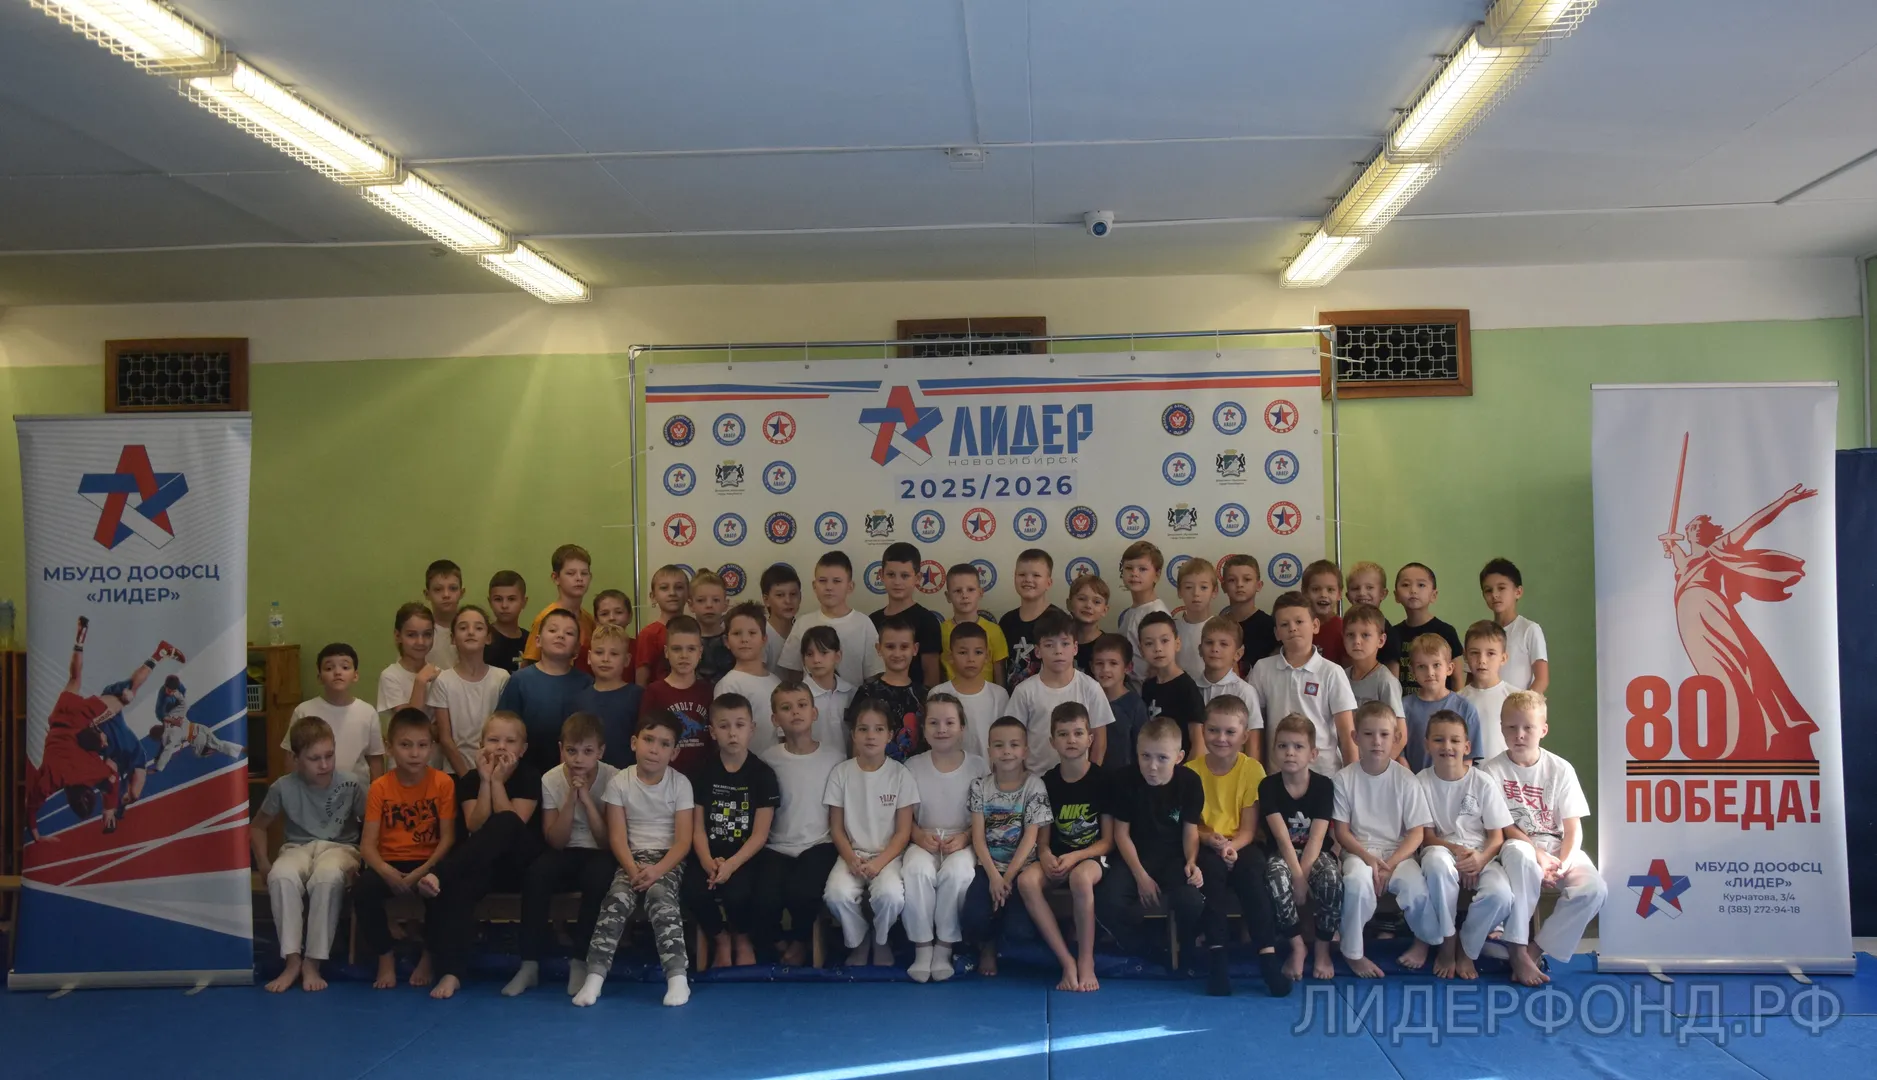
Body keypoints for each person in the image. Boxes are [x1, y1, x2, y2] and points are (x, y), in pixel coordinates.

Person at [1482, 691, 1606, 985]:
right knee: (1521, 855)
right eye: (1511, 727)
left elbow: (1573, 828)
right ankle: (1515, 946)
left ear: (1543, 730)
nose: (1519, 734)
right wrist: (1537, 854)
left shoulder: (1560, 769)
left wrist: (1562, 863)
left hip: (1557, 845)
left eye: (1528, 727)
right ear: (1501, 729)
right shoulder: (1491, 771)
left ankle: (1532, 952)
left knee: (1594, 889)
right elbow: (1503, 826)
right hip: (1515, 844)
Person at [418, 712, 542, 999]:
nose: (501, 747)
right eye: (494, 740)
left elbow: (513, 825)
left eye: (510, 741)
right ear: (481, 744)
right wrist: (486, 781)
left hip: (521, 861)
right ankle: (451, 972)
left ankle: (441, 871)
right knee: (457, 886)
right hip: (485, 860)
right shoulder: (471, 779)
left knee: (506, 821)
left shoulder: (529, 776)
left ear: (523, 748)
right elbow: (475, 825)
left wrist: (499, 782)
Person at [574, 712, 695, 1008]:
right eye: (648, 740)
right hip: (631, 859)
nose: (654, 749)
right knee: (615, 900)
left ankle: (677, 978)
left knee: (660, 897)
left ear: (674, 752)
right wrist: (632, 869)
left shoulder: (680, 784)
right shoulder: (619, 782)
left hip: (667, 860)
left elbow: (683, 841)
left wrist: (657, 871)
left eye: (664, 744)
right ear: (633, 743)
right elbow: (616, 837)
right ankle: (594, 977)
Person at [25, 618, 182, 840]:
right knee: (74, 678)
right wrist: (36, 835)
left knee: (127, 696)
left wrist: (108, 808)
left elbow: (111, 779)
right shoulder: (49, 782)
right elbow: (31, 808)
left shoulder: (91, 773)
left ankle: (159, 654)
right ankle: (79, 643)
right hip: (60, 716)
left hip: (82, 718)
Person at [503, 712, 619, 997]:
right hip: (565, 849)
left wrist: (587, 801)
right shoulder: (551, 779)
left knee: (599, 878)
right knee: (536, 874)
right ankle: (529, 964)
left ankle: (580, 961)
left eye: (587, 752)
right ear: (561, 749)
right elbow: (555, 840)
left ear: (600, 751)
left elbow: (607, 841)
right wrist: (570, 799)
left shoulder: (614, 778)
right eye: (571, 751)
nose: (579, 759)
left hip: (599, 851)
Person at [251, 716, 365, 993]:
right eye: (315, 759)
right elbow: (257, 826)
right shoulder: (283, 787)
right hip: (298, 848)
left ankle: (313, 961)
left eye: (329, 755)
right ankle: (292, 960)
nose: (324, 765)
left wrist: (365, 862)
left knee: (327, 876)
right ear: (295, 758)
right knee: (281, 875)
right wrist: (264, 863)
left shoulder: (352, 784)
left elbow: (374, 826)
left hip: (340, 848)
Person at [1186, 696, 1289, 996]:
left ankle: (1268, 958)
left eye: (1230, 732)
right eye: (1214, 730)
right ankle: (1217, 961)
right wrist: (1210, 840)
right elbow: (1190, 825)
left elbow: (1249, 828)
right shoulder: (1190, 771)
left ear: (1244, 736)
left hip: (1241, 843)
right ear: (1203, 731)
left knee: (1253, 876)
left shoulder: (1252, 769)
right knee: (1211, 878)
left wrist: (1231, 847)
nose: (1221, 738)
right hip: (1205, 843)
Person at [1094, 717, 1208, 978]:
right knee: (1108, 901)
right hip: (1134, 856)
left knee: (1191, 900)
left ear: (1179, 757)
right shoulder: (1124, 780)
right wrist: (1141, 876)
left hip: (1173, 857)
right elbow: (1121, 834)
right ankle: (1145, 947)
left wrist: (1192, 861)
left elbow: (1190, 830)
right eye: (1145, 756)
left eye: (1162, 758)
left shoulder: (1190, 782)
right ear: (1136, 752)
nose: (1152, 766)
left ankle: (1187, 949)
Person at [1332, 701, 1435, 979]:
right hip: (1359, 851)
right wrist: (1369, 859)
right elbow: (1342, 832)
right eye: (1368, 734)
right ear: (1355, 737)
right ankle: (1353, 952)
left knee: (1416, 888)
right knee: (1356, 883)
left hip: (1398, 853)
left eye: (1384, 735)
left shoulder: (1406, 780)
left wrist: (1391, 864)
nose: (1376, 741)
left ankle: (1422, 942)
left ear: (1396, 738)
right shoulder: (1344, 779)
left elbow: (1416, 832)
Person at [354, 708, 456, 990]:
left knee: (446, 890)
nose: (414, 753)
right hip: (391, 863)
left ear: (432, 747)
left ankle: (428, 956)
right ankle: (385, 956)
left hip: (428, 862)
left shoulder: (443, 783)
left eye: (422, 745)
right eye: (405, 745)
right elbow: (367, 846)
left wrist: (422, 872)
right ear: (389, 748)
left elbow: (448, 839)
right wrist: (386, 872)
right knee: (363, 890)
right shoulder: (380, 787)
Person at [1413, 711, 1514, 980]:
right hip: (1441, 850)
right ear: (1427, 744)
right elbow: (1426, 837)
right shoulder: (1420, 782)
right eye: (1439, 740)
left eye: (1455, 740)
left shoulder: (1482, 781)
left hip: (1480, 853)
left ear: (1467, 746)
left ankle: (1468, 947)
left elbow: (1496, 837)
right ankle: (1447, 941)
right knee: (1436, 864)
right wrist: (1458, 853)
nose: (1447, 746)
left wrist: (1479, 859)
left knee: (1501, 895)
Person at [682, 694, 779, 969]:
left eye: (740, 725)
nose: (732, 733)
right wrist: (707, 862)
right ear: (712, 732)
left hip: (745, 856)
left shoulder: (763, 775)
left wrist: (731, 865)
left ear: (752, 729)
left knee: (740, 894)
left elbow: (760, 835)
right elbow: (697, 829)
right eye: (724, 726)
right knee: (693, 891)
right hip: (708, 854)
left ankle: (742, 938)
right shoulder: (701, 772)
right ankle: (720, 937)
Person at [1019, 704, 1112, 991]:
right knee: (1026, 881)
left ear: (1090, 739)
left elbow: (1108, 842)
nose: (1071, 740)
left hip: (1093, 857)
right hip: (1060, 857)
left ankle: (1085, 959)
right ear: (1052, 741)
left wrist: (1076, 857)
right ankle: (1066, 960)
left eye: (1078, 733)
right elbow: (1043, 840)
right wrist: (1045, 854)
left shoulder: (1104, 780)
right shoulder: (1046, 783)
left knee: (1080, 878)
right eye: (1063, 734)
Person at [823, 698, 919, 967]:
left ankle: (881, 939)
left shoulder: (900, 775)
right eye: (863, 729)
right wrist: (851, 858)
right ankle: (860, 940)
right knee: (836, 895)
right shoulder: (841, 773)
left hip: (888, 856)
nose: (870, 736)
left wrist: (879, 863)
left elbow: (903, 832)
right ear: (853, 734)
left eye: (878, 729)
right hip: (851, 854)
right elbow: (836, 828)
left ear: (889, 735)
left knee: (890, 896)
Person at [755, 682, 844, 966]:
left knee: (803, 893)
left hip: (820, 843)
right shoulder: (767, 760)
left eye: (802, 705)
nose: (795, 712)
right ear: (774, 719)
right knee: (764, 897)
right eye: (786, 707)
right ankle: (780, 941)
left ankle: (801, 941)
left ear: (814, 713)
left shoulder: (835, 758)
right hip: (776, 845)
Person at [901, 693, 986, 982]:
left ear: (962, 727)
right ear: (924, 729)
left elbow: (986, 814)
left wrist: (965, 838)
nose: (941, 729)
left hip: (964, 839)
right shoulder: (912, 766)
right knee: (916, 870)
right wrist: (917, 835)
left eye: (950, 722)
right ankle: (922, 945)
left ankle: (945, 945)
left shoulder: (978, 767)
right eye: (934, 723)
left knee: (957, 873)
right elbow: (904, 816)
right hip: (922, 837)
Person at [961, 717, 1050, 976]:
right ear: (990, 751)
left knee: (1020, 930)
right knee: (972, 917)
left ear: (1025, 751)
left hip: (1020, 869)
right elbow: (978, 837)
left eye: (1014, 745)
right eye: (999, 746)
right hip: (988, 867)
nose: (1007, 751)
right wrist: (993, 877)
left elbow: (1031, 838)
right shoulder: (980, 786)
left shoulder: (1034, 785)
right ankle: (987, 946)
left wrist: (1007, 878)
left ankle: (1004, 942)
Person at [1260, 714, 1341, 981]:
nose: (1290, 753)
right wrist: (1295, 876)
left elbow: (1317, 838)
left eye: (1298, 746)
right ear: (1274, 751)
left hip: (1316, 854)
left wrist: (1302, 877)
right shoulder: (1268, 786)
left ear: (1313, 754)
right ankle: (1297, 946)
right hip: (1282, 853)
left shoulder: (1323, 786)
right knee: (1275, 876)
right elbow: (1282, 838)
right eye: (1283, 746)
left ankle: (1322, 948)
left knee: (1331, 879)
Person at [1250, 591, 1357, 774]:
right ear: (1277, 633)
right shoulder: (1262, 669)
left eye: (1299, 622)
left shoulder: (1332, 672)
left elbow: (1347, 734)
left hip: (1324, 775)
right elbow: (1255, 728)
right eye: (1284, 624)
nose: (1292, 628)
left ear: (1315, 625)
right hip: (1278, 776)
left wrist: (1354, 780)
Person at [1008, 609, 1116, 771]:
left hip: (1079, 778)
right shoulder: (1024, 691)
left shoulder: (1091, 688)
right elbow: (1014, 739)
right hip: (1036, 778)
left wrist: (1091, 778)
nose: (1058, 651)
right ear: (1037, 651)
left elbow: (1099, 742)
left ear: (1075, 648)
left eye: (1065, 644)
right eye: (1049, 645)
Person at [495, 608, 593, 775]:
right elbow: (504, 727)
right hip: (526, 771)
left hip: (574, 771)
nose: (560, 635)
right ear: (538, 640)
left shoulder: (586, 683)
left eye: (569, 633)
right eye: (553, 630)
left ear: (577, 648)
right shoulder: (520, 680)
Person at [425, 606, 510, 776]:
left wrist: (495, 773)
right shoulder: (443, 681)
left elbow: (506, 730)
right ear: (453, 639)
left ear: (488, 638)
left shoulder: (501, 678)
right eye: (463, 628)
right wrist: (466, 777)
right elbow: (445, 738)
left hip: (496, 771)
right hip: (456, 772)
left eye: (478, 628)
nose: (471, 632)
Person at [778, 551, 885, 687]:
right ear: (814, 586)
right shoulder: (803, 623)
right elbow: (793, 673)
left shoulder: (864, 624)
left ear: (850, 586)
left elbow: (873, 675)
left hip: (854, 699)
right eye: (822, 581)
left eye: (837, 581)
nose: (829, 587)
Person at [288, 642, 384, 785]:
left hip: (357, 790)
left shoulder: (368, 712)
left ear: (355, 675)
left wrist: (377, 793)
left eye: (345, 667)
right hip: (312, 790)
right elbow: (291, 756)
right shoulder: (303, 711)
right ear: (319, 677)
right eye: (329, 668)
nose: (337, 672)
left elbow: (375, 758)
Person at [843, 612, 925, 762]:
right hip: (875, 772)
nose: (897, 653)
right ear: (879, 648)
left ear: (915, 649)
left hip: (915, 773)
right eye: (890, 646)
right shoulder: (867, 693)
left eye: (904, 647)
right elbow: (856, 742)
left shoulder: (924, 695)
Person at [643, 614, 715, 777]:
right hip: (665, 777)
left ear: (700, 652)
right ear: (666, 652)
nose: (684, 655)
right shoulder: (654, 692)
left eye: (691, 649)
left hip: (704, 776)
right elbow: (646, 738)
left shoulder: (709, 691)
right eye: (677, 649)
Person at [1400, 635, 1484, 773]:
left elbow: (1469, 757)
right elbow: (1399, 753)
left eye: (1436, 665)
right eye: (1422, 666)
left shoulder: (1465, 708)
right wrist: (1412, 781)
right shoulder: (1403, 707)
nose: (1430, 673)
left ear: (1449, 668)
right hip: (1414, 782)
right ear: (1412, 671)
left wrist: (1456, 781)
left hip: (1454, 783)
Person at [930, 620, 1009, 758]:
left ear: (987, 656)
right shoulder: (938, 693)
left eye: (978, 652)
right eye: (963, 652)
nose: (971, 659)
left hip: (989, 768)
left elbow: (1005, 737)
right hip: (950, 767)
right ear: (950, 656)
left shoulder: (999, 695)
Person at [713, 602, 783, 755]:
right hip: (745, 764)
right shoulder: (729, 685)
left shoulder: (776, 682)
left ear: (764, 639)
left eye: (752, 633)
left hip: (776, 762)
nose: (744, 639)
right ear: (726, 641)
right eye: (737, 633)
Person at [570, 622, 642, 767]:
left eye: (614, 654)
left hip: (627, 775)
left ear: (627, 660)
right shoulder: (579, 700)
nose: (605, 659)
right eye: (599, 652)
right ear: (589, 657)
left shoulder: (638, 696)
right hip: (588, 775)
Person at [873, 542, 945, 688]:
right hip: (877, 699)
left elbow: (931, 676)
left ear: (917, 578)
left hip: (916, 700)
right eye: (891, 575)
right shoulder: (872, 620)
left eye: (905, 576)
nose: (897, 582)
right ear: (881, 575)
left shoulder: (927, 621)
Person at [1138, 611, 1205, 756]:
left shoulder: (1186, 687)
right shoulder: (1148, 687)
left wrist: (1186, 770)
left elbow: (1198, 743)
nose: (1158, 648)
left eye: (1164, 641)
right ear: (1141, 650)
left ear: (1177, 644)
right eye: (1149, 643)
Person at [1196, 616, 1262, 761]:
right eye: (1209, 643)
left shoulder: (1245, 692)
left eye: (1223, 644)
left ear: (1238, 654)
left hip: (1235, 770)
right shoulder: (1191, 688)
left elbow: (1253, 744)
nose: (1215, 649)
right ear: (1200, 649)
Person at [1343, 604, 1405, 756]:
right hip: (1345, 762)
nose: (1357, 641)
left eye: (1365, 635)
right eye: (1350, 635)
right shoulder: (1340, 677)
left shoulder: (1385, 681)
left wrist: (1380, 766)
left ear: (1381, 640)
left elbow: (1400, 735)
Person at [1479, 558, 1548, 693]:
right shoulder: (1481, 633)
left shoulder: (1529, 629)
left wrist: (1522, 704)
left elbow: (1542, 680)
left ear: (1518, 592)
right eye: (1488, 590)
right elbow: (1473, 680)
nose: (1494, 595)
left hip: (1520, 704)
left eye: (1501, 588)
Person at [1000, 548, 1065, 690]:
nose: (1028, 580)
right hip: (1013, 699)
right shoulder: (1006, 621)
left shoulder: (1060, 620)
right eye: (1022, 574)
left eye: (1036, 575)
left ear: (1049, 583)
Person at [148, 673, 241, 772]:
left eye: (172, 691)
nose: (170, 692)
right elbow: (181, 706)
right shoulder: (172, 711)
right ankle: (240, 750)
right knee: (218, 745)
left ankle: (220, 750)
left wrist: (157, 768)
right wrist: (176, 702)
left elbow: (167, 750)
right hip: (199, 728)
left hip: (196, 737)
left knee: (202, 751)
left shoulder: (172, 734)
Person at [525, 544, 595, 674]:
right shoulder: (546, 618)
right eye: (571, 573)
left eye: (584, 573)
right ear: (556, 578)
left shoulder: (589, 620)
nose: (579, 578)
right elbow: (530, 663)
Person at [1395, 563, 1463, 696]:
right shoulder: (1393, 633)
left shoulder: (1446, 631)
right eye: (1406, 585)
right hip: (1406, 706)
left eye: (1421, 585)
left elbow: (1457, 679)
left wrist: (1456, 705)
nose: (1413, 590)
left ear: (1434, 595)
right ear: (1396, 595)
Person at [938, 562, 1008, 684]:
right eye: (958, 591)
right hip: (949, 695)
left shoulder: (994, 631)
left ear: (980, 593)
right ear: (948, 596)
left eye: (970, 590)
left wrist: (1001, 694)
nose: (964, 595)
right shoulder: (940, 631)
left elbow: (999, 672)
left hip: (987, 695)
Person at [1088, 634, 1147, 773]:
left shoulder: (1135, 706)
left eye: (1113, 663)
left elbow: (1143, 749)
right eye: (1099, 663)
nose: (1105, 669)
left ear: (1128, 667)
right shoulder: (1086, 700)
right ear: (1092, 666)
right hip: (1090, 777)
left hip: (1124, 780)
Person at [377, 602, 436, 739]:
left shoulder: (438, 674)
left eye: (427, 634)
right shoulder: (390, 676)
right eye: (411, 635)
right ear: (398, 636)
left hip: (435, 752)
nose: (420, 642)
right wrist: (420, 682)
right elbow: (409, 727)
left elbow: (444, 728)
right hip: (403, 752)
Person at [1458, 621, 1514, 760]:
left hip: (1503, 771)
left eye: (1490, 653)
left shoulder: (1514, 698)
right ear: (1465, 656)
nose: (1482, 660)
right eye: (1474, 653)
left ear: (1503, 658)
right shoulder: (1457, 700)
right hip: (1468, 772)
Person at [1115, 540, 1169, 681]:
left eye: (1142, 569)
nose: (1134, 574)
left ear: (1157, 575)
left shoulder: (1156, 614)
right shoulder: (1132, 611)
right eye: (1129, 568)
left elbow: (1162, 664)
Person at [799, 625, 853, 755]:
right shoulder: (798, 696)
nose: (816, 660)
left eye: (823, 653)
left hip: (846, 764)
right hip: (811, 763)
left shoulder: (851, 692)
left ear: (837, 656)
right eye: (810, 654)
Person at [634, 564, 690, 686]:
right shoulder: (648, 634)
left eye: (679, 587)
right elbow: (641, 679)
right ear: (653, 597)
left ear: (688, 594)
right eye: (664, 588)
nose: (672, 593)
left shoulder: (694, 630)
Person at [1221, 554, 1277, 673]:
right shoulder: (1217, 626)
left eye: (1247, 579)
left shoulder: (1270, 626)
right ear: (1224, 587)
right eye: (1232, 580)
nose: (1239, 584)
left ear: (1258, 585)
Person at [1346, 561, 1402, 676]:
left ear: (1383, 593)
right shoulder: (1345, 627)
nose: (1362, 593)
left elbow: (1392, 676)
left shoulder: (1389, 633)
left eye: (1369, 587)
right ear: (1347, 596)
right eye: (1355, 588)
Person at [1172, 557, 1219, 681]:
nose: (1196, 593)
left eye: (1203, 587)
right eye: (1188, 587)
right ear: (1179, 591)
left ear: (1214, 591)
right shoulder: (1171, 630)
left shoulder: (1222, 630)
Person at [689, 569, 734, 684]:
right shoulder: (683, 641)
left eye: (716, 600)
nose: (709, 605)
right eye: (701, 600)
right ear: (691, 605)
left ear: (725, 604)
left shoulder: (733, 640)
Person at [1301, 560, 1347, 666]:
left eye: (1330, 590)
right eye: (1316, 589)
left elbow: (1347, 671)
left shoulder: (1344, 629)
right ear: (1304, 592)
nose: (1323, 595)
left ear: (1339, 594)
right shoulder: (1296, 626)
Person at [484, 570, 531, 673]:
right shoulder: (483, 639)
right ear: (490, 602)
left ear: (524, 602)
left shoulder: (530, 640)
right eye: (498, 599)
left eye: (511, 599)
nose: (504, 605)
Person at [759, 563, 802, 672]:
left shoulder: (803, 630)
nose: (788, 601)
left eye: (793, 594)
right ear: (766, 600)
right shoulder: (760, 635)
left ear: (800, 597)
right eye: (780, 595)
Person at [423, 559, 464, 671]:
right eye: (438, 589)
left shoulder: (472, 630)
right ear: (427, 594)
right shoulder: (419, 634)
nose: (446, 595)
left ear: (461, 593)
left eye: (453, 588)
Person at [1067, 574, 1111, 676]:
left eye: (1097, 602)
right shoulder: (1058, 643)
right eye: (1082, 599)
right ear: (1069, 604)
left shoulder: (1110, 647)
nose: (1088, 605)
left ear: (1105, 610)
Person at [592, 588, 635, 671]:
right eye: (604, 614)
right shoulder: (589, 648)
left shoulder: (639, 648)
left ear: (629, 616)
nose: (612, 618)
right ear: (596, 620)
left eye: (619, 612)